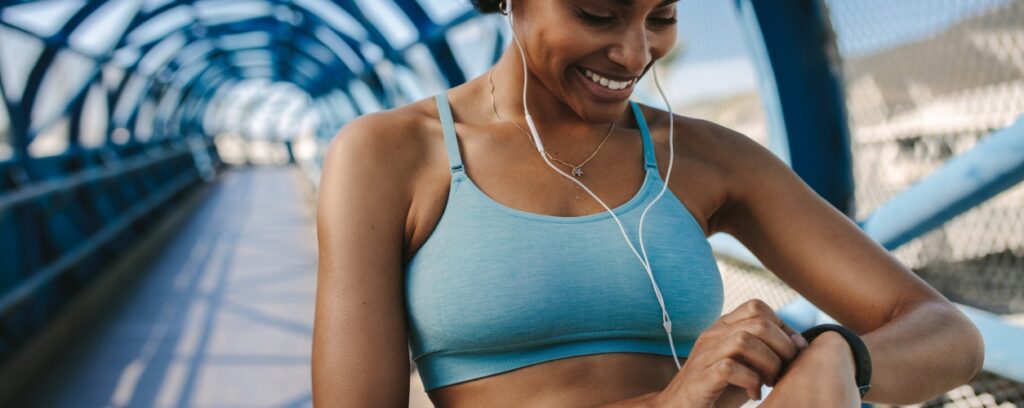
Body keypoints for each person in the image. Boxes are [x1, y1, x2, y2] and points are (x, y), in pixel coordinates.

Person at [311, 0, 984, 406]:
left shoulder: (703, 156)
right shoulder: (391, 156)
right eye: (597, 14)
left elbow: (946, 332)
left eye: (661, 16)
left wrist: (838, 355)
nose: (635, 54)